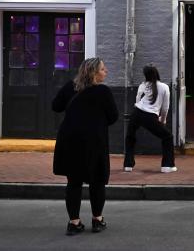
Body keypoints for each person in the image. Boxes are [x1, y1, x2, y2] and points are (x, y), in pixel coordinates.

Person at [52, 57, 119, 236]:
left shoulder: (70, 87)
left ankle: (74, 223)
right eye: (103, 69)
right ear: (94, 73)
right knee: (97, 182)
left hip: (71, 141)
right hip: (95, 142)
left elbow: (56, 106)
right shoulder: (103, 92)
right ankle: (97, 220)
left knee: (73, 182)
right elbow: (113, 117)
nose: (106, 72)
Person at [123, 64, 176, 173]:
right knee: (168, 137)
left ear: (145, 75)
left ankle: (128, 165)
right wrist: (162, 120)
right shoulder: (164, 87)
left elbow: (138, 100)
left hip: (137, 113)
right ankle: (167, 165)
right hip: (150, 116)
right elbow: (165, 108)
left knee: (130, 137)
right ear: (157, 73)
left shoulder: (143, 85)